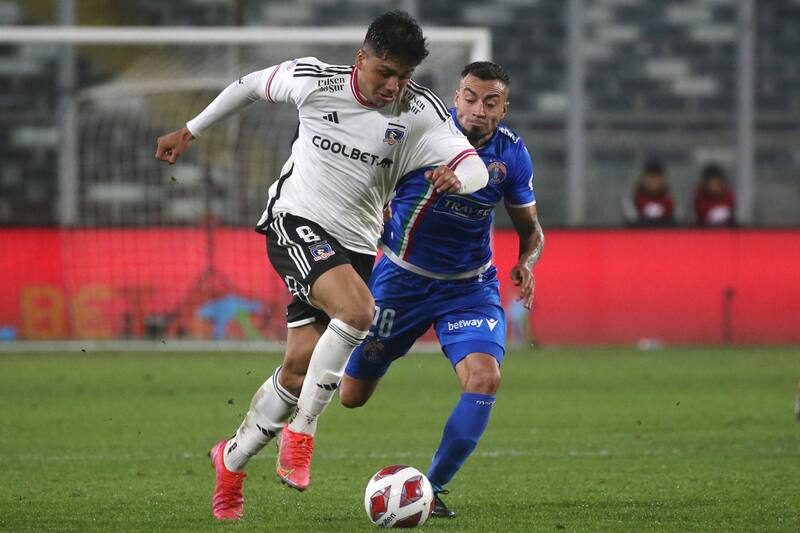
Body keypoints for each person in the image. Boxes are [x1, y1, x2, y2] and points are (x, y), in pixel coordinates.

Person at [155, 11, 489, 520]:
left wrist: (454, 178)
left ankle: (232, 460)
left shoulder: (419, 110)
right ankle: (302, 434)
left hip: (354, 246)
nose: (393, 85)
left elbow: (474, 165)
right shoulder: (313, 80)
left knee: (298, 365)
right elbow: (247, 86)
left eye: (404, 75)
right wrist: (190, 130)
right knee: (359, 311)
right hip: (294, 221)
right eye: (385, 71)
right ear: (362, 59)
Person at [338, 61, 544, 518]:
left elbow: (531, 230)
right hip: (400, 280)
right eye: (470, 97)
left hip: (470, 288)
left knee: (484, 377)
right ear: (456, 98)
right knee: (352, 395)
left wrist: (526, 263)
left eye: (491, 102)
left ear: (504, 108)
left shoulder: (512, 155)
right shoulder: (419, 136)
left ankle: (431, 489)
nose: (479, 109)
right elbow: (366, 188)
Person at [622, 159, 676, 227]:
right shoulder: (633, 198)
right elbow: (631, 222)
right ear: (643, 178)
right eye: (651, 177)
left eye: (657, 177)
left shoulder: (671, 199)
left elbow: (677, 222)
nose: (654, 181)